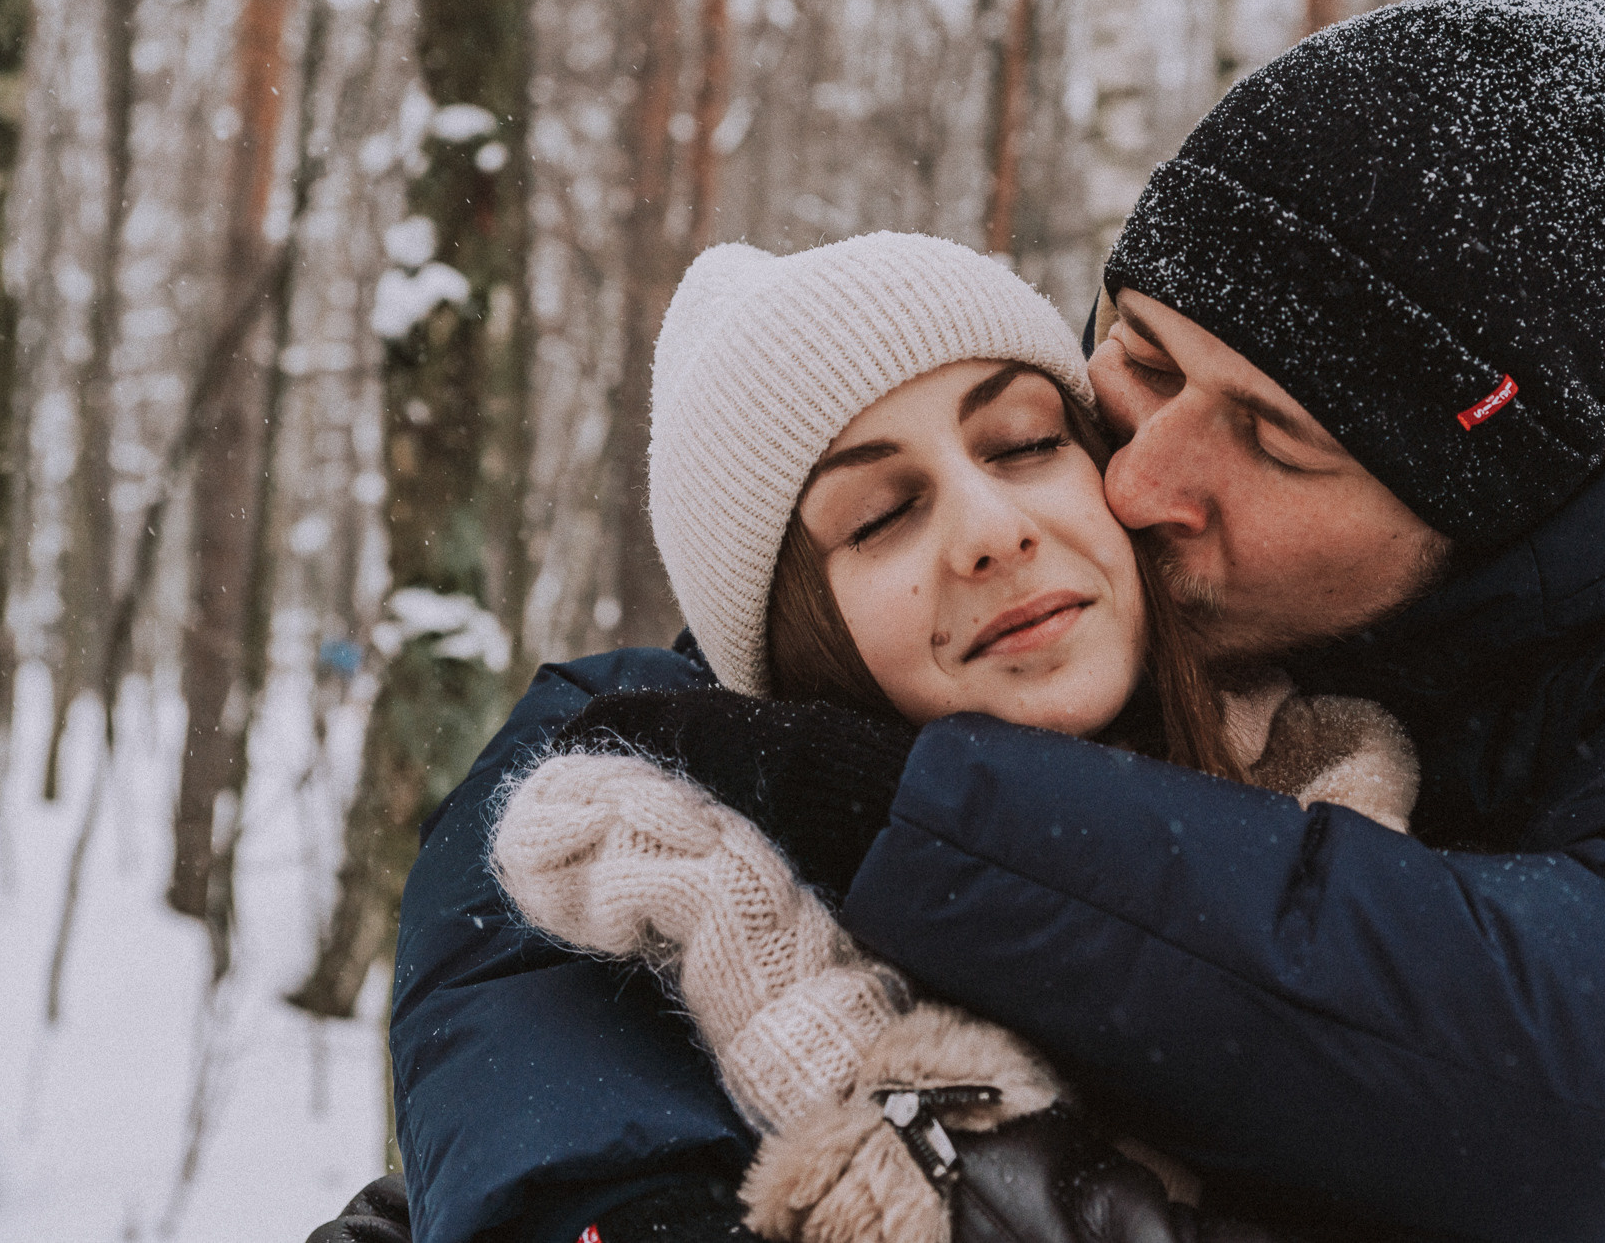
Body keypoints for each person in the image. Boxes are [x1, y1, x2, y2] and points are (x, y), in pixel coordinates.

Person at [379, 0, 1605, 1243]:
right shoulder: (1080, 582)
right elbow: (604, 761)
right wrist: (602, 1188)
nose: (1132, 479)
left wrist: (939, 830)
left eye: (1273, 436)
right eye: (1134, 357)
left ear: (1474, 522)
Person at [481, 231, 1420, 1243]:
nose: (989, 529)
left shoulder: (1380, 823)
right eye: (881, 514)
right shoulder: (640, 974)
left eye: (1023, 443)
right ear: (798, 646)